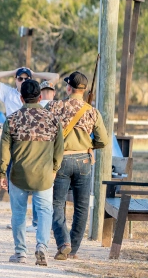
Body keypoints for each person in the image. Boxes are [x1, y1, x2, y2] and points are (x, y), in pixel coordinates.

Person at [0, 80, 64, 266]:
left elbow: (4, 150)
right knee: (44, 211)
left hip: (19, 175)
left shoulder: (11, 120)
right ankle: (41, 247)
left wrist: (3, 172)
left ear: (21, 98)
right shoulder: (52, 120)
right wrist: (54, 169)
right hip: (44, 175)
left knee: (18, 213)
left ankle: (20, 253)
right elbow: (59, 149)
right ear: (40, 97)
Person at [46, 71, 109, 260]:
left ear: (68, 87)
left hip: (60, 160)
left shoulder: (54, 106)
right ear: (84, 90)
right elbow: (103, 141)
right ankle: (73, 249)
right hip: (84, 160)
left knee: (56, 203)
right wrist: (89, 145)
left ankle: (63, 241)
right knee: (81, 207)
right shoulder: (92, 111)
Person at [0, 66, 59, 232]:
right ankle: (18, 220)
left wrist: (34, 75)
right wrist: (11, 72)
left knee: (36, 186)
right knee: (16, 188)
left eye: (26, 78)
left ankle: (35, 223)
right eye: (20, 78)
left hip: (33, 143)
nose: (23, 81)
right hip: (15, 144)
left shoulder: (36, 94)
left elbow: (55, 76)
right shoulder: (9, 93)